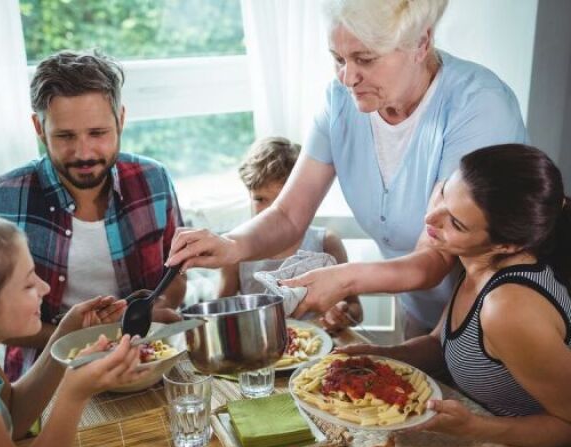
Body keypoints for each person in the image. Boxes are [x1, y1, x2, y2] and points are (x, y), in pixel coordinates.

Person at [167, 0, 527, 339]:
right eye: (337, 58)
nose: (347, 77)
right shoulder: (339, 103)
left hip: (500, 317)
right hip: (424, 311)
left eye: (364, 59)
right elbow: (289, 215)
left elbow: (434, 257)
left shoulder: (478, 107)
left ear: (421, 42)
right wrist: (231, 245)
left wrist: (344, 280)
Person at [337, 144, 571, 447]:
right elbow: (442, 345)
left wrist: (475, 427)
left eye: (457, 224)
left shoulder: (508, 307)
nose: (431, 217)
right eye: (445, 193)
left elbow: (566, 423)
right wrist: (383, 356)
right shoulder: (475, 262)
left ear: (505, 244)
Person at [0, 50, 186, 380]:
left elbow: (176, 276)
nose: (84, 153)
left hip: (148, 368)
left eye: (98, 133)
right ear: (39, 127)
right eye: (66, 136)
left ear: (121, 120)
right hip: (43, 383)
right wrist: (83, 337)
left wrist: (156, 308)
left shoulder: (154, 179)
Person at [0, 217, 151, 447]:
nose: (44, 288)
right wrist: (74, 394)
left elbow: (13, 416)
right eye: (27, 285)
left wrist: (65, 335)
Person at [219, 136, 362, 331]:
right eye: (260, 199)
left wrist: (342, 314)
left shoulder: (326, 243)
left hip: (321, 352)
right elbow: (219, 313)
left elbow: (356, 310)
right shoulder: (235, 252)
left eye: (280, 202)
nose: (269, 212)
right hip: (261, 353)